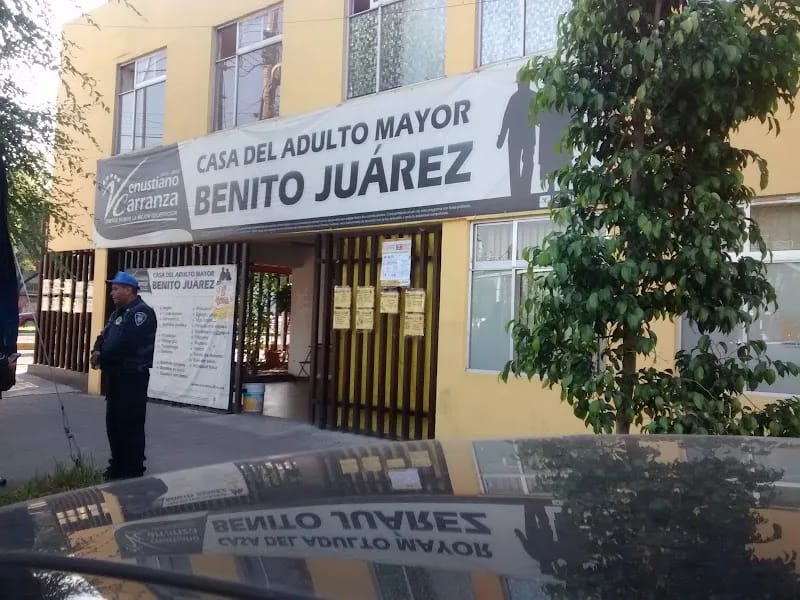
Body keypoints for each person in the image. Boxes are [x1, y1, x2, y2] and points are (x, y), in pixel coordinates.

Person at [91, 272, 157, 481]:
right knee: (114, 423)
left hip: (132, 378)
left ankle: (133, 468)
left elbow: (126, 343)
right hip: (116, 377)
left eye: (116, 288)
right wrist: (96, 350)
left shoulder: (142, 313)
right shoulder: (118, 313)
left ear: (129, 290)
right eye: (113, 289)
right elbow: (104, 336)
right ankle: (117, 464)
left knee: (130, 424)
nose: (112, 293)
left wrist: (102, 356)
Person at [498, 79, 537, 199]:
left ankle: (520, 193)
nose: (519, 85)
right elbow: (506, 119)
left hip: (521, 137)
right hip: (520, 137)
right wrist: (501, 138)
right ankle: (520, 193)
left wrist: (501, 138)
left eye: (520, 83)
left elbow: (506, 119)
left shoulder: (522, 97)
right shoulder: (525, 97)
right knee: (522, 164)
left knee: (523, 164)